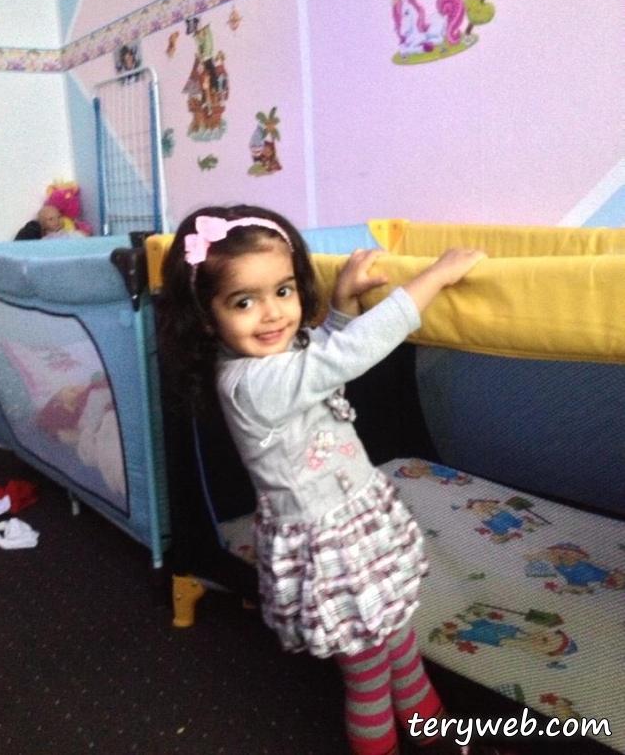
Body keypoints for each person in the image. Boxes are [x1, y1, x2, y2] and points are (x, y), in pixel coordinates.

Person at [158, 204, 513, 755]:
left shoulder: (278, 358)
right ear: (207, 317)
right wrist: (434, 278)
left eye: (283, 291)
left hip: (356, 524)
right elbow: (340, 359)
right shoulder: (250, 383)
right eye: (244, 302)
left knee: (401, 647)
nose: (273, 314)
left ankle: (440, 737)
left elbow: (319, 357)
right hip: (331, 550)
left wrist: (342, 303)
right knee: (369, 676)